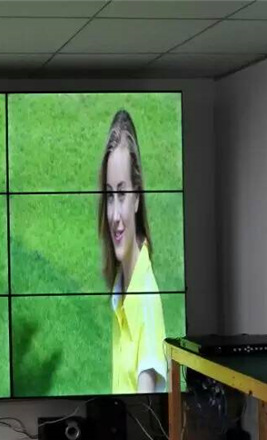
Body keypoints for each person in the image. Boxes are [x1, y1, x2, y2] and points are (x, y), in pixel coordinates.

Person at [98, 109, 167, 394]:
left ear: (137, 197)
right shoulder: (123, 290)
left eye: (122, 194)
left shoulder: (145, 301)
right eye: (109, 195)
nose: (114, 215)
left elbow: (144, 412)